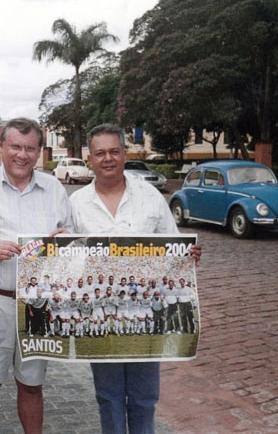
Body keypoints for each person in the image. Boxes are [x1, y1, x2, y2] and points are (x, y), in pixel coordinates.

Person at [70, 123, 201, 434]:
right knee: (108, 396)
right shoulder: (75, 204)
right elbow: (66, 259)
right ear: (90, 159)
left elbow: (172, 244)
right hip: (100, 317)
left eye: (114, 151)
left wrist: (188, 254)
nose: (108, 159)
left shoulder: (150, 197)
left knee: (144, 397)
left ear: (125, 154)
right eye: (100, 153)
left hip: (147, 315)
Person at [0, 117, 73, 434]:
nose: (22, 155)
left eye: (30, 148)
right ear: (1, 147)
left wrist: (63, 241)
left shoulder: (54, 188)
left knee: (33, 385)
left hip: (38, 304)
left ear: (39, 152)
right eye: (16, 147)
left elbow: (71, 240)